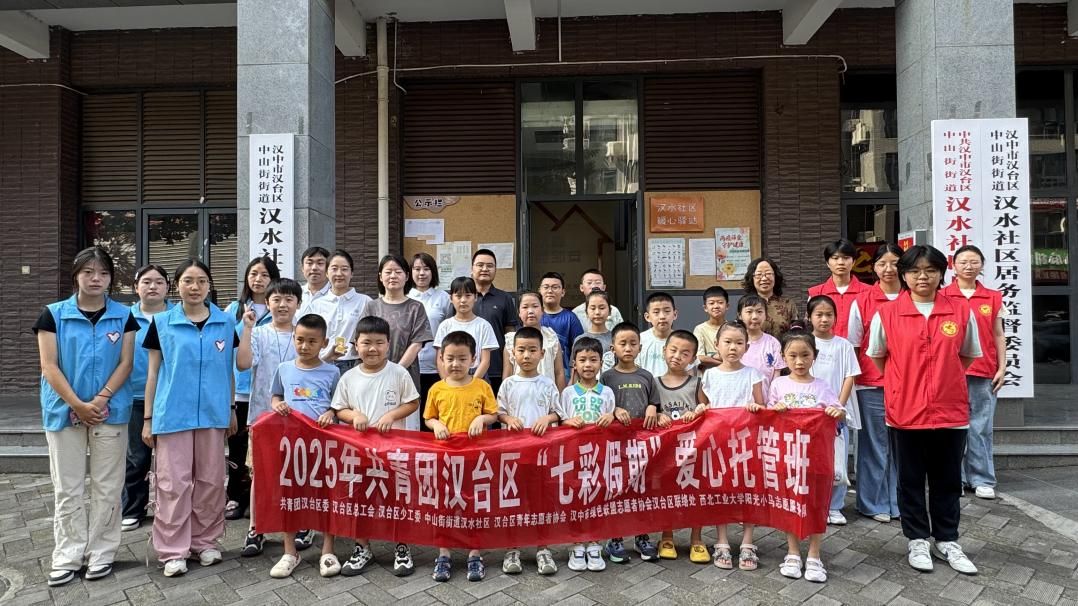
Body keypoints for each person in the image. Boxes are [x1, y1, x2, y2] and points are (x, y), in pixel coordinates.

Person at [867, 244, 982, 576]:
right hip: (905, 411)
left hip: (950, 411)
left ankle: (947, 539)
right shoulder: (888, 314)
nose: (923, 277)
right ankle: (917, 538)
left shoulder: (960, 311)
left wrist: (942, 379)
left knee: (947, 481)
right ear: (903, 275)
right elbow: (879, 356)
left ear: (941, 274)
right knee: (911, 480)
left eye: (930, 270)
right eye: (915, 270)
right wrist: (907, 382)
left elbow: (966, 355)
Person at [35, 246, 138, 586]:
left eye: (104, 273)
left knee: (108, 487)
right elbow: (49, 366)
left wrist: (101, 398)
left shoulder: (124, 316)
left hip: (111, 410)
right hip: (64, 410)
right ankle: (67, 555)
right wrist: (78, 404)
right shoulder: (53, 315)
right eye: (89, 272)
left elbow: (126, 363)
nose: (96, 279)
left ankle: (102, 552)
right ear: (76, 275)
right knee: (68, 487)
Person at [142, 259, 238, 578]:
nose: (194, 287)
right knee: (173, 484)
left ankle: (205, 541)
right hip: (173, 415)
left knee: (211, 481)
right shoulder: (162, 323)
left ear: (210, 286)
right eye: (187, 281)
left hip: (213, 414)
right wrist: (148, 418)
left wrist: (231, 409)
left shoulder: (225, 322)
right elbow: (153, 373)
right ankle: (173, 550)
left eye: (201, 281)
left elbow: (228, 371)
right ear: (177, 286)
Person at [331, 315, 421, 577]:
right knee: (359, 499)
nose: (372, 348)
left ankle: (401, 546)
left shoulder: (398, 372)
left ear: (388, 344)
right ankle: (362, 547)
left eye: (379, 343)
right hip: (359, 452)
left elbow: (413, 402)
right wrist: (354, 416)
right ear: (355, 345)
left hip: (393, 451)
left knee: (397, 498)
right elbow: (339, 408)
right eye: (366, 343)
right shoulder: (349, 377)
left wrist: (392, 415)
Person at [266, 313, 341, 579]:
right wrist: (277, 405)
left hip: (323, 446)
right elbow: (275, 396)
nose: (304, 346)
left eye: (312, 341)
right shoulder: (284, 369)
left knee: (326, 496)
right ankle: (290, 552)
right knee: (290, 496)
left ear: (324, 343)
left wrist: (331, 412)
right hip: (290, 446)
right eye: (299, 340)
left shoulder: (333, 372)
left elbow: (339, 404)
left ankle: (328, 551)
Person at [768, 331, 847, 583]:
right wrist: (776, 409)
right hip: (788, 457)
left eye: (805, 355)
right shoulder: (778, 385)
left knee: (815, 503)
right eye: (792, 356)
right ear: (783, 357)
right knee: (790, 501)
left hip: (816, 458)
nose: (799, 361)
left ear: (815, 356)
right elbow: (768, 416)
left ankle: (814, 554)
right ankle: (792, 552)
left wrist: (836, 412)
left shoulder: (822, 386)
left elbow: (840, 413)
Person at [424, 331, 499, 582]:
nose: (455, 364)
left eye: (462, 358)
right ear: (441, 359)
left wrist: (482, 419)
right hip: (445, 458)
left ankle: (474, 553)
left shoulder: (482, 387)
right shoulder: (437, 389)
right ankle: (443, 554)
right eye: (450, 358)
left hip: (475, 459)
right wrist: (436, 424)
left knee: (474, 505)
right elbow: (428, 417)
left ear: (473, 359)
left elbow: (493, 414)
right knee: (444, 505)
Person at [235, 278, 301, 558]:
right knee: (260, 474)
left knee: (298, 473)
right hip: (263, 416)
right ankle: (256, 527)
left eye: (289, 299)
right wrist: (248, 328)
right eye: (276, 299)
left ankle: (301, 524)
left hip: (299, 419)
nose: (282, 305)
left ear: (298, 303)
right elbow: (242, 363)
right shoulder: (259, 333)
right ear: (268, 303)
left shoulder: (303, 333)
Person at [695, 322, 763, 571]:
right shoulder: (709, 375)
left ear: (747, 347)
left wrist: (756, 408)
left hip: (746, 443)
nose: (733, 347)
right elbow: (705, 404)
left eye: (739, 343)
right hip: (718, 443)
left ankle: (748, 542)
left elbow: (761, 405)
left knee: (748, 490)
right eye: (727, 342)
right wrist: (701, 408)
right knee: (720, 490)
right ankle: (721, 540)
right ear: (717, 345)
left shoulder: (753, 374)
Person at [942, 244, 1007, 500]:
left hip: (984, 370)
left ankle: (982, 478)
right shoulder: (943, 295)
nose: (969, 267)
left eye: (974, 262)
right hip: (950, 372)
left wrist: (1002, 367)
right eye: (963, 262)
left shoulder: (992, 297)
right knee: (951, 427)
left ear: (982, 265)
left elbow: (998, 334)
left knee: (980, 426)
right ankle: (953, 477)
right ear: (953, 266)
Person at [495, 326, 562, 576]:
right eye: (521, 350)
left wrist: (548, 418)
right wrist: (507, 419)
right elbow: (498, 412)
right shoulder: (508, 384)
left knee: (540, 500)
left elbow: (559, 412)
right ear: (513, 353)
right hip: (513, 455)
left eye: (532, 350)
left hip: (542, 455)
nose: (526, 355)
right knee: (513, 501)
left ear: (542, 354)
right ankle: (512, 548)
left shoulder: (547, 384)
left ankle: (543, 548)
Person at [558, 337, 627, 572]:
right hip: (574, 455)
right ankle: (577, 544)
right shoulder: (568, 393)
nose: (588, 365)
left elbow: (613, 419)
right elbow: (560, 420)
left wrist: (612, 416)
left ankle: (595, 543)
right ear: (574, 364)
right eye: (583, 360)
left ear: (601, 363)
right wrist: (568, 422)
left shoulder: (607, 392)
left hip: (599, 455)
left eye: (593, 360)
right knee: (576, 497)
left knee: (597, 496)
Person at [846, 243, 903, 522]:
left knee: (902, 446)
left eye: (895, 263)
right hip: (872, 383)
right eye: (882, 263)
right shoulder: (863, 300)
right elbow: (855, 345)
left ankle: (898, 501)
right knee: (874, 445)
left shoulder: (913, 297)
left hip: (908, 384)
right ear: (874, 267)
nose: (888, 269)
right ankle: (873, 503)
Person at [224, 256, 280, 521]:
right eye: (253, 274)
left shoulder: (278, 309)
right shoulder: (234, 309)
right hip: (240, 389)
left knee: (263, 451)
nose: (258, 279)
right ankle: (236, 496)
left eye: (264, 275)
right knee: (237, 447)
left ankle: (259, 500)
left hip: (267, 392)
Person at [601, 322, 662, 564]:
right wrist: (615, 409)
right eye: (622, 343)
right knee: (617, 490)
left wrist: (652, 407)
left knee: (640, 491)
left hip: (641, 445)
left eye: (633, 343)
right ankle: (614, 538)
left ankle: (641, 536)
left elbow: (655, 403)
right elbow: (602, 405)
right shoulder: (606, 377)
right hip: (615, 445)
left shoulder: (646, 376)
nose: (628, 348)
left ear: (640, 347)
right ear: (613, 348)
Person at [121, 264, 172, 533]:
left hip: (170, 397)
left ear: (168, 287)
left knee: (170, 460)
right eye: (146, 282)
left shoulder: (178, 316)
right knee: (136, 457)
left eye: (159, 282)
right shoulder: (124, 318)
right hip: (135, 396)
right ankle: (133, 509)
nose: (153, 286)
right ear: (136, 287)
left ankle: (168, 511)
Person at [653, 330, 710, 564]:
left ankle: (697, 539)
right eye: (673, 350)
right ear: (664, 350)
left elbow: (708, 409)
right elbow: (650, 410)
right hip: (666, 452)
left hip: (693, 449)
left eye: (685, 353)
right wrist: (657, 415)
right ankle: (667, 537)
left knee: (695, 493)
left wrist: (698, 411)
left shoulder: (697, 383)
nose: (677, 356)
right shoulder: (654, 383)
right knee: (667, 492)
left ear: (693, 358)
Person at [806, 295, 861, 526]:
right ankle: (814, 505)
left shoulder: (843, 345)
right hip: (810, 412)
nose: (824, 319)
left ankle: (835, 506)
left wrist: (838, 405)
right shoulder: (805, 343)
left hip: (836, 413)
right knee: (811, 462)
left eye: (829, 314)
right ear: (809, 317)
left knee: (837, 460)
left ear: (836, 318)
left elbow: (849, 376)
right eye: (819, 314)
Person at [362, 254, 433, 430]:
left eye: (398, 272)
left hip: (406, 376)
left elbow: (417, 344)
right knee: (376, 428)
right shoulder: (371, 306)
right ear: (380, 277)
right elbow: (362, 341)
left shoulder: (416, 307)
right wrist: (381, 372)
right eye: (388, 272)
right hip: (373, 377)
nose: (393, 276)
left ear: (407, 276)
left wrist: (394, 371)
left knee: (407, 430)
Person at [408, 252, 454, 421]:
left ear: (433, 272)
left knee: (435, 415)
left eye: (426, 269)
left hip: (436, 366)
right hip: (409, 365)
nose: (421, 273)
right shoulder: (405, 297)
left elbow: (450, 330)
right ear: (410, 272)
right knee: (412, 416)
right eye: (417, 269)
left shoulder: (444, 298)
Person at [310, 249, 372, 373]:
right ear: (326, 273)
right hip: (324, 363)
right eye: (334, 269)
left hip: (355, 364)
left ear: (352, 273)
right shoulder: (317, 304)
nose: (339, 273)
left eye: (344, 269)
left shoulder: (365, 301)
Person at [470, 248, 519, 395]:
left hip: (496, 368)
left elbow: (510, 335)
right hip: (465, 368)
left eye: (490, 266)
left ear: (495, 270)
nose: (485, 269)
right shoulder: (463, 298)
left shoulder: (505, 298)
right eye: (480, 265)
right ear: (472, 269)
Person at [433, 277, 499, 380]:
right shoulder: (445, 326)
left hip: (477, 376)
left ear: (475, 297)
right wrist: (447, 382)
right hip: (450, 375)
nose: (463, 300)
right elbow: (439, 360)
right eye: (458, 296)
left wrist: (472, 384)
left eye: (468, 295)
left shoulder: (484, 325)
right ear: (451, 298)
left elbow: (485, 361)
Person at [504, 291, 567, 391]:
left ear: (542, 310)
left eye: (535, 306)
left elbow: (559, 372)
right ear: (519, 312)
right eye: (525, 307)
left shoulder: (551, 337)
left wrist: (560, 397)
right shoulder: (511, 340)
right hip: (519, 394)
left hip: (546, 394)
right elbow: (507, 374)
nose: (530, 311)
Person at [808, 239, 869, 338]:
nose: (841, 262)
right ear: (827, 263)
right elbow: (811, 326)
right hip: (825, 346)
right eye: (835, 258)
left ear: (853, 262)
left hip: (859, 347)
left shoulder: (868, 292)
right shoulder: (816, 293)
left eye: (846, 258)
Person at [539, 272, 584, 380]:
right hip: (538, 368)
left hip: (564, 371)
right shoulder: (535, 316)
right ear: (540, 290)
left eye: (555, 287)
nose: (550, 291)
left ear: (563, 292)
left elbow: (579, 348)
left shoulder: (570, 317)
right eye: (546, 287)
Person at [739, 294, 786, 398]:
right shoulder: (736, 342)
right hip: (740, 402)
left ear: (766, 315)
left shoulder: (773, 343)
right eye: (749, 312)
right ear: (740, 315)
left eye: (759, 312)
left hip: (766, 402)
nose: (755, 316)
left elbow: (776, 376)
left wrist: (772, 400)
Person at [742, 257, 798, 337]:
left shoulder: (788, 303)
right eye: (759, 274)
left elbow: (796, 333)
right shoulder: (745, 304)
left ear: (775, 276)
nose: (764, 278)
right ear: (752, 278)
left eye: (768, 274)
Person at [574, 289, 615, 373]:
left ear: (610, 311)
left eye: (602, 308)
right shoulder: (579, 339)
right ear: (586, 312)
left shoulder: (615, 339)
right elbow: (574, 370)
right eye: (593, 308)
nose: (597, 312)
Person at [637, 292, 677, 377]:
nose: (662, 316)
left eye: (667, 311)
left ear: (675, 314)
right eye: (656, 312)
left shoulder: (682, 341)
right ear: (647, 317)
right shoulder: (639, 340)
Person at [693, 286, 729, 370]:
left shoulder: (733, 328)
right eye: (711, 303)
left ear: (727, 306)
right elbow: (699, 358)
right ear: (705, 308)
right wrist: (724, 364)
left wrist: (709, 356)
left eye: (720, 302)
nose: (716, 306)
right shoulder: (700, 329)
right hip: (707, 375)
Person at [297, 246, 332, 317]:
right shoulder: (296, 294)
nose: (314, 268)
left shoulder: (335, 295)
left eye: (320, 263)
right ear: (302, 268)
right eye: (309, 263)